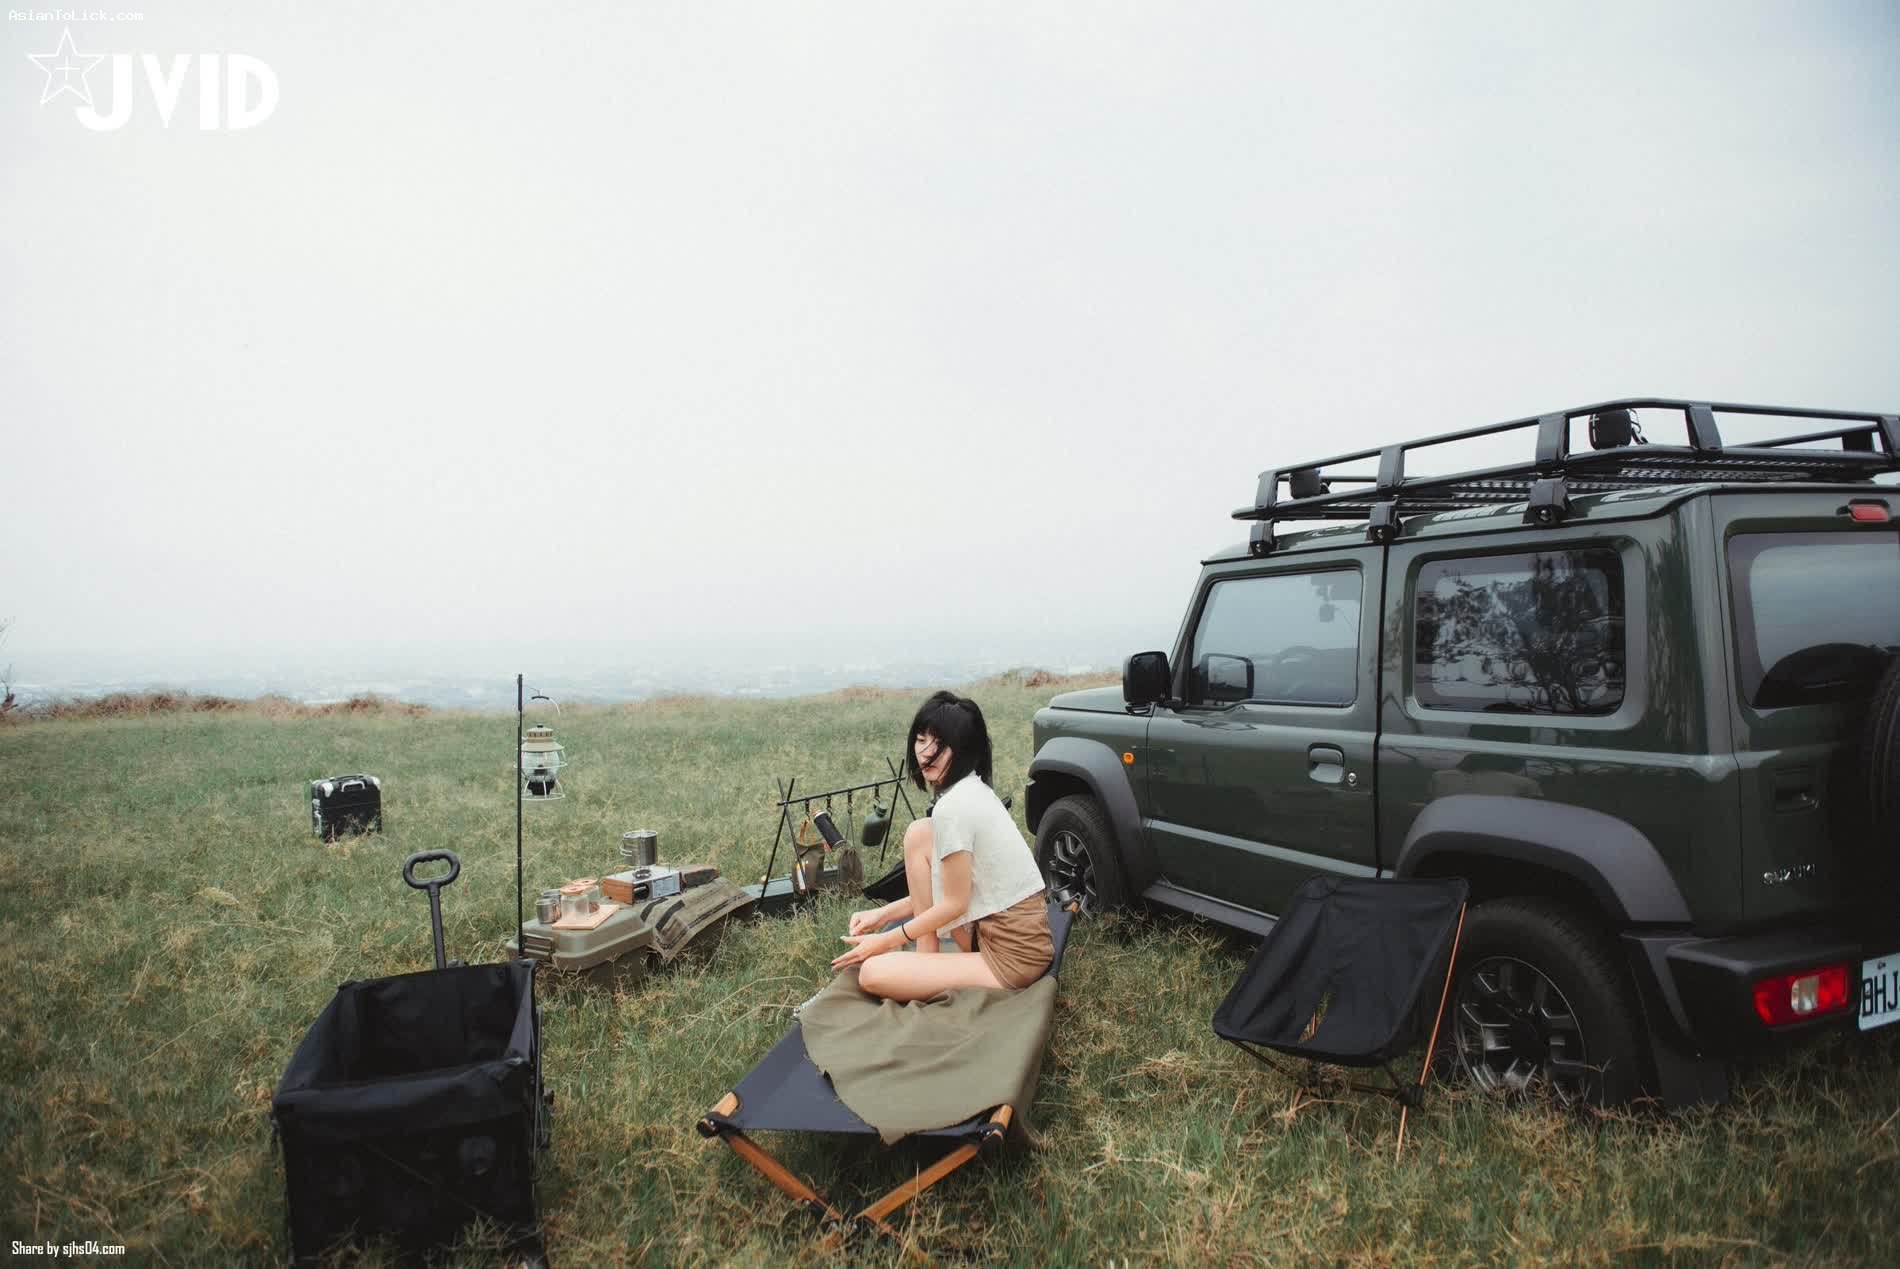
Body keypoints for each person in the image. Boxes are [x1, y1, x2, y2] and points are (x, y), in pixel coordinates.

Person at [831, 690, 1053, 1001]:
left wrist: (885, 940)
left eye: (940, 744)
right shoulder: (972, 788)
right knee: (920, 833)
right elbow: (952, 890)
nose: (926, 753)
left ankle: (924, 965)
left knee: (872, 973)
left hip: (1014, 957)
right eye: (921, 739)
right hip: (991, 929)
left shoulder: (955, 807)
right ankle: (927, 952)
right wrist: (882, 915)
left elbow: (954, 904)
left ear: (963, 751)